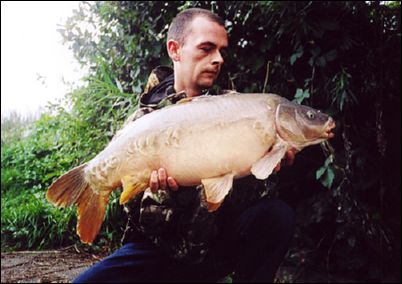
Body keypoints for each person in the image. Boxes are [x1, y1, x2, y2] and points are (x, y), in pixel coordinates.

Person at [73, 8, 295, 283]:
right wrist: (164, 192)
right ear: (175, 50)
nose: (218, 59)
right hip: (159, 253)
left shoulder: (236, 109)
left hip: (215, 243)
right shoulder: (143, 120)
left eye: (221, 51)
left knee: (276, 216)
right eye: (206, 48)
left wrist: (269, 165)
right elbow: (138, 219)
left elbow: (250, 200)